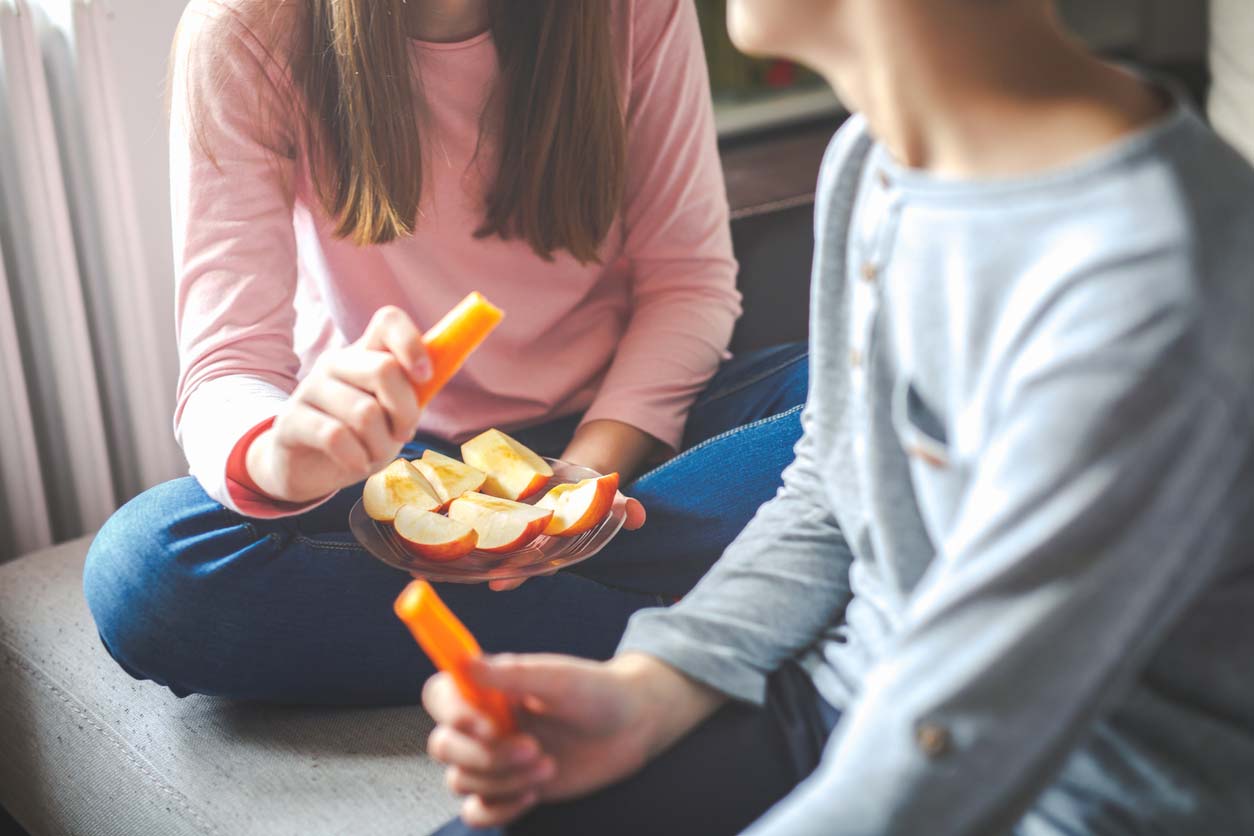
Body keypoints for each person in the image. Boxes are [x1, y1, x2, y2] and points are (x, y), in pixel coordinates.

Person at [422, 0, 1254, 833]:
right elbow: (831, 488)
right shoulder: (875, 158)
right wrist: (652, 690)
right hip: (846, 700)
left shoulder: (1153, 280)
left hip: (1060, 797)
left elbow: (962, 733)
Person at [81, 0, 809, 705]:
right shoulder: (245, 29)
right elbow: (227, 367)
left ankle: (671, 606)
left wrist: (577, 491)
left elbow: (689, 281)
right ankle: (706, 615)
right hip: (402, 470)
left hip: (618, 438)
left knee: (881, 400)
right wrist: (283, 458)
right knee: (146, 570)